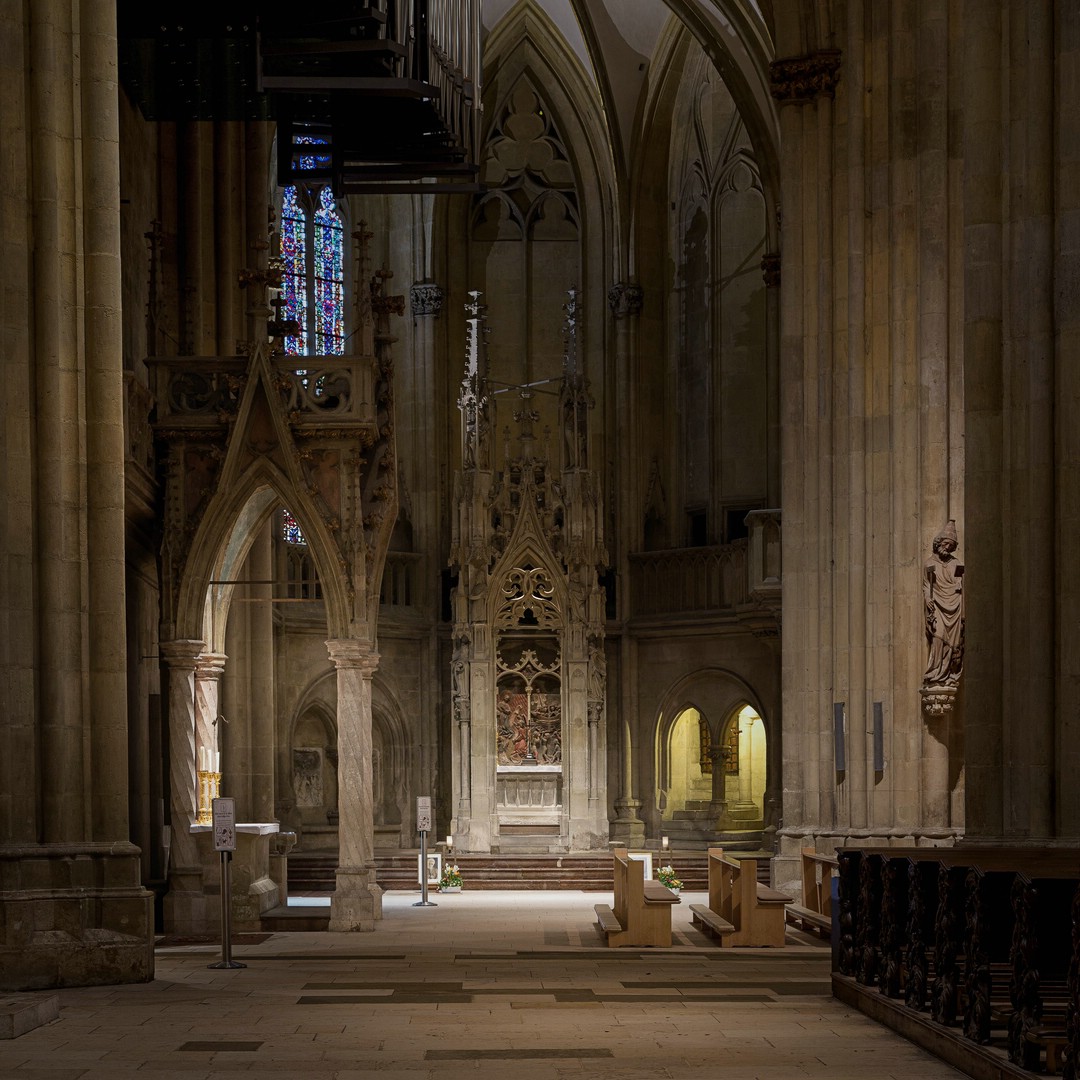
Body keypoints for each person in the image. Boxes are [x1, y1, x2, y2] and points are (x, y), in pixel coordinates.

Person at [923, 520, 964, 686]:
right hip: (938, 606)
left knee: (954, 644)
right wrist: (928, 598)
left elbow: (962, 585)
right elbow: (927, 586)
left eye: (951, 546)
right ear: (939, 543)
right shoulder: (929, 564)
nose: (948, 548)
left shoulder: (956, 564)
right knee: (938, 637)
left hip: (954, 608)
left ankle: (949, 674)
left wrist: (960, 585)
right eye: (946, 544)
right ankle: (935, 672)